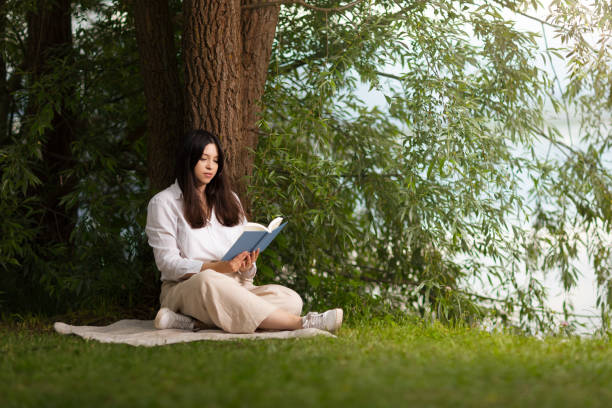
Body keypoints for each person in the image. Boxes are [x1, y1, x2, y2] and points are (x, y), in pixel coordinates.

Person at [145, 129, 343, 334]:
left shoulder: (230, 200)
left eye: (215, 160)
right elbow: (167, 264)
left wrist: (247, 266)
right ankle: (301, 323)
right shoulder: (163, 203)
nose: (210, 166)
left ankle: (194, 323)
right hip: (188, 288)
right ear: (188, 160)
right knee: (209, 279)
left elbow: (246, 273)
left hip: (237, 287)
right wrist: (218, 267)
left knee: (290, 299)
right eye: (203, 159)